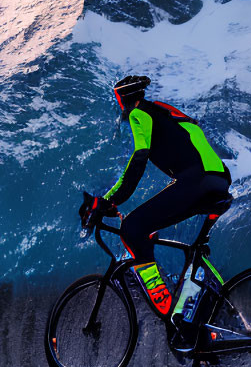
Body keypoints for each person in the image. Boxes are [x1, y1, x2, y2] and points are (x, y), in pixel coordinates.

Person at [82, 74, 232, 334]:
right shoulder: (166, 111)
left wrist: (109, 201)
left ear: (123, 99)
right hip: (217, 179)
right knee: (188, 251)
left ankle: (164, 305)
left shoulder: (140, 114)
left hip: (194, 179)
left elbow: (138, 159)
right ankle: (198, 320)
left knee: (133, 228)